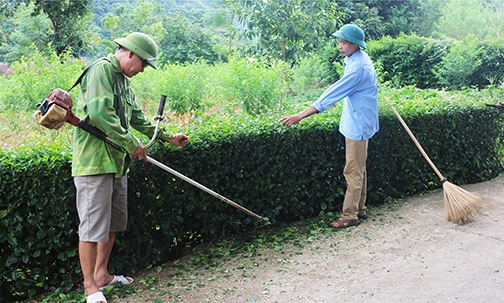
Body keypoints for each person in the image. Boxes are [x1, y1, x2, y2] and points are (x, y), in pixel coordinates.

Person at [72, 32, 189, 303]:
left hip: (116, 162)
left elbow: (136, 117)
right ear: (131, 54)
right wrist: (132, 144)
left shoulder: (123, 80)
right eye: (144, 64)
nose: (143, 70)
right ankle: (90, 287)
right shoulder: (100, 70)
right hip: (94, 163)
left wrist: (167, 137)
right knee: (91, 227)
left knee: (112, 223)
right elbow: (101, 115)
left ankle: (102, 274)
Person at [280, 24, 378, 229]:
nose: (340, 46)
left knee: (353, 171)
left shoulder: (358, 69)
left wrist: (300, 115)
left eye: (343, 42)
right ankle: (360, 209)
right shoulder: (356, 59)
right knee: (359, 169)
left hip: (358, 125)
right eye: (339, 42)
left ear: (355, 44)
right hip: (359, 121)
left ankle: (350, 215)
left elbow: (331, 95)